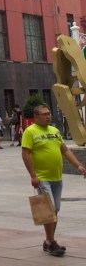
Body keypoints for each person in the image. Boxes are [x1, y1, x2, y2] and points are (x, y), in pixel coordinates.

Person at [21, 102, 86, 257]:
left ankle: (49, 240)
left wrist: (78, 165)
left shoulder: (55, 131)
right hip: (42, 177)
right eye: (44, 114)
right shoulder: (30, 132)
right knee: (49, 209)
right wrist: (33, 176)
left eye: (49, 114)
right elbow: (25, 154)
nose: (48, 116)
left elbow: (64, 149)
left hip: (57, 176)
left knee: (55, 209)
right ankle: (51, 242)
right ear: (36, 116)